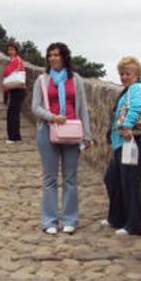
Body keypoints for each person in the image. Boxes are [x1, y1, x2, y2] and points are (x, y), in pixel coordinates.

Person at [31, 42, 92, 235]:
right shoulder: (42, 80)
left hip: (72, 132)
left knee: (70, 178)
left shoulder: (76, 80)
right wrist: (52, 117)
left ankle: (69, 219)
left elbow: (82, 109)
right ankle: (49, 220)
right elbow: (36, 106)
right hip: (48, 131)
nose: (53, 58)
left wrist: (87, 135)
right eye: (50, 55)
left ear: (64, 57)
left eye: (56, 55)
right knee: (50, 178)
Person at [103, 56, 141, 236]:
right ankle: (117, 218)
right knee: (113, 179)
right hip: (121, 143)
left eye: (127, 73)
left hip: (132, 141)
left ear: (136, 74)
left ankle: (134, 224)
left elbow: (138, 107)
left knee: (129, 182)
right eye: (122, 73)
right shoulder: (127, 90)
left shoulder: (136, 89)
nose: (124, 77)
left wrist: (127, 126)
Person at [1, 41, 26, 143]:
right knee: (14, 113)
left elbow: (6, 72)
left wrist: (5, 71)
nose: (10, 51)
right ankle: (16, 136)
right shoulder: (16, 60)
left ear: (16, 51)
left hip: (17, 90)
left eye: (12, 50)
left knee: (12, 114)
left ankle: (13, 137)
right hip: (17, 90)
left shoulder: (16, 60)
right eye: (9, 50)